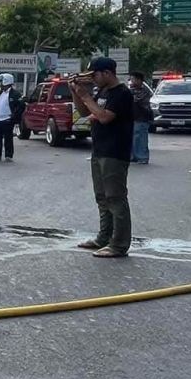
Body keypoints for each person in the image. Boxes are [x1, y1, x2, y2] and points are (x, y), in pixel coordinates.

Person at [70, 56, 135, 258]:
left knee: (115, 197)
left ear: (107, 73)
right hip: (99, 150)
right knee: (102, 197)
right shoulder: (102, 91)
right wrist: (76, 93)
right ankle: (104, 237)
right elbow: (84, 112)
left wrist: (87, 97)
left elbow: (105, 117)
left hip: (115, 152)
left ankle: (119, 244)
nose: (93, 79)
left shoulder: (121, 93)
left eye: (95, 75)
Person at [0, 73, 24, 161]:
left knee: (8, 138)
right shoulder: (0, 93)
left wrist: (14, 116)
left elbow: (21, 105)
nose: (0, 84)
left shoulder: (15, 94)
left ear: (6, 81)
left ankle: (8, 156)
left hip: (7, 120)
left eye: (1, 82)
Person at [127, 70, 154, 164]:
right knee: (132, 138)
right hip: (132, 117)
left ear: (139, 80)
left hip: (142, 117)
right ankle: (133, 156)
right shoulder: (131, 89)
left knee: (140, 138)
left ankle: (142, 157)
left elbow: (138, 100)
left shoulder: (145, 91)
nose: (131, 82)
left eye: (133, 80)